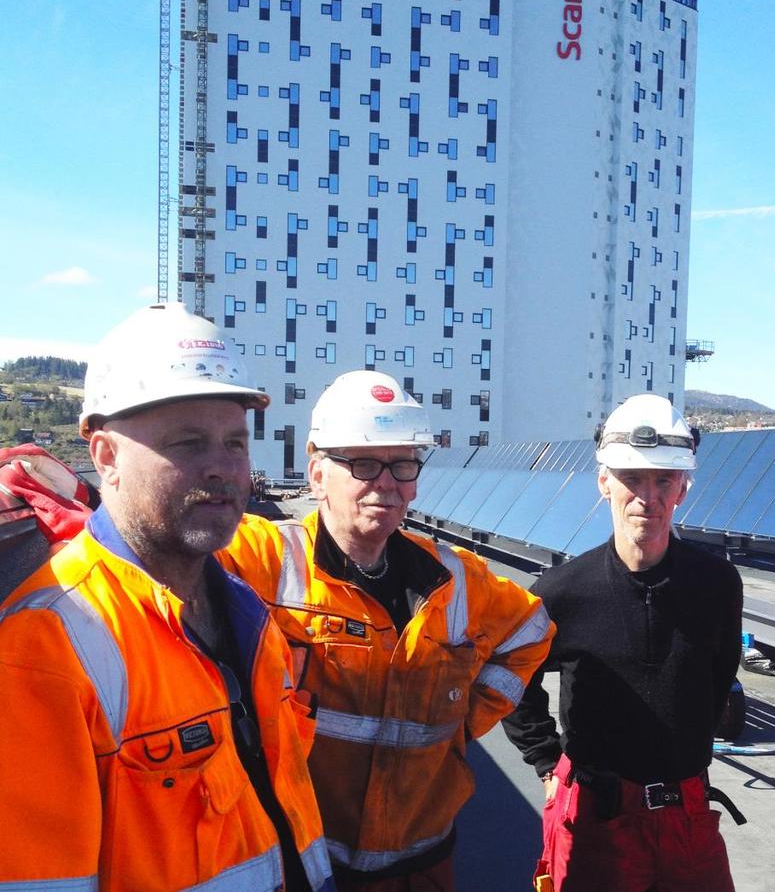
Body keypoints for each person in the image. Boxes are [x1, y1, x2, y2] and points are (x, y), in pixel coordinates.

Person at [0, 303, 333, 891]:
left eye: (235, 443)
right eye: (187, 443)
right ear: (106, 457)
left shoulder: (244, 607)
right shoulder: (45, 647)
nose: (223, 469)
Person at [219, 369, 554, 891]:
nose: (386, 483)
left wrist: (465, 722)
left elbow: (531, 631)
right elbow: (157, 559)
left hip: (422, 864)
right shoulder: (262, 559)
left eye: (402, 464)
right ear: (316, 474)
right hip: (303, 863)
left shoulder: (455, 578)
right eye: (364, 463)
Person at [503, 393, 743, 892]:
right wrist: (547, 761)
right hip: (597, 820)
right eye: (631, 479)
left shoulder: (717, 583)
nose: (647, 497)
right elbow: (513, 680)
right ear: (603, 483)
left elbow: (720, 674)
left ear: (682, 488)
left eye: (663, 480)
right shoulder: (562, 591)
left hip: (688, 819)